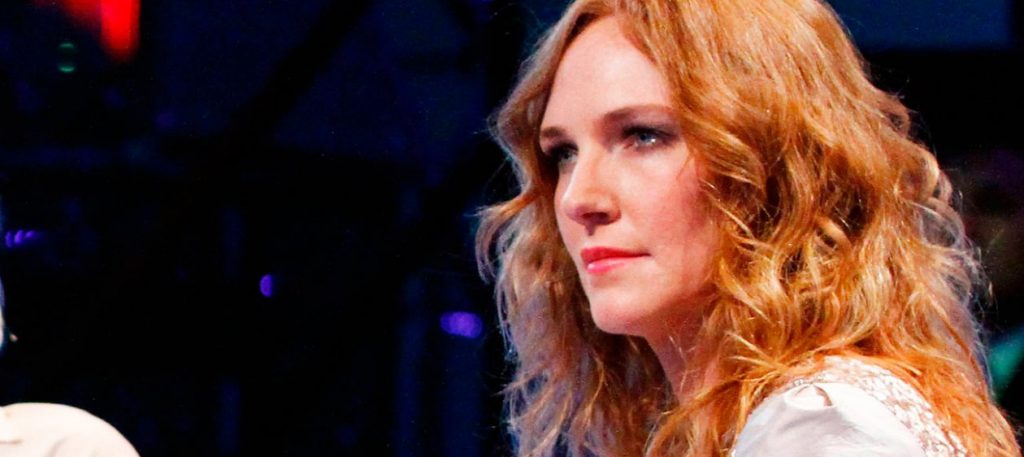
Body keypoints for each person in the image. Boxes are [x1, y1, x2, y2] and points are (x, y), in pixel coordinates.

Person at [475, 0, 1021, 456]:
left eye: (644, 136)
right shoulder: (770, 419)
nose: (578, 198)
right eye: (563, 153)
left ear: (777, 167)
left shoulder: (819, 428)